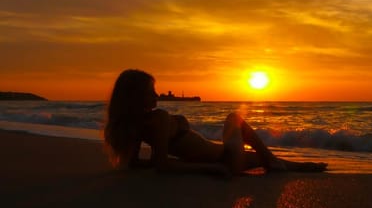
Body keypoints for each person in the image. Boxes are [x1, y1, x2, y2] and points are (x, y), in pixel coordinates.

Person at [104, 69, 327, 176]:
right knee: (234, 118)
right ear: (135, 96)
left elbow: (138, 164)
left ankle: (300, 166)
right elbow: (163, 166)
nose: (157, 96)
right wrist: (210, 168)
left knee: (266, 160)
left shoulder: (136, 125)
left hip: (224, 156)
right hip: (225, 160)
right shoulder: (159, 118)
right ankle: (278, 163)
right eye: (150, 92)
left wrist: (170, 162)